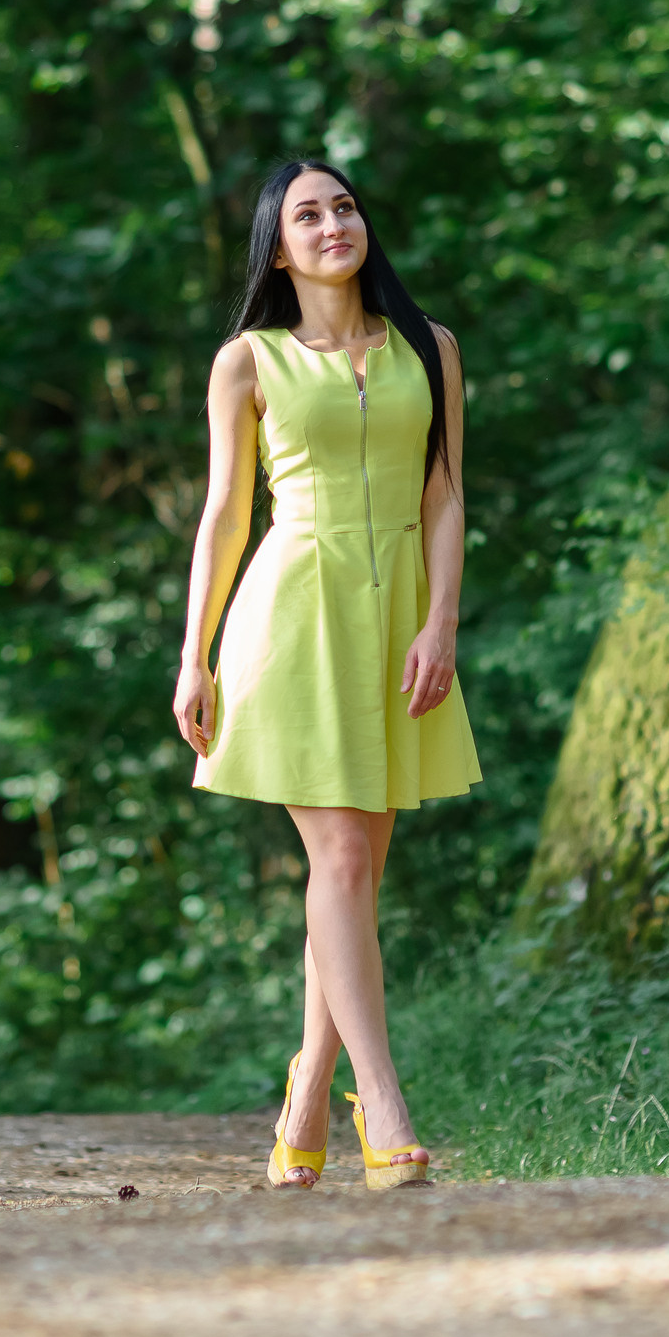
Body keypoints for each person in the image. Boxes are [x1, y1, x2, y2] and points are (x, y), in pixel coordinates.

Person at [171, 159, 481, 1190]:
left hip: (397, 615)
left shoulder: (429, 348)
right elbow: (224, 515)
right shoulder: (247, 361)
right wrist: (195, 651)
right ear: (276, 246)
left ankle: (304, 1090)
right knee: (341, 855)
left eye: (345, 204)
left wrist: (440, 622)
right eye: (307, 213)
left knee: (349, 873)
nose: (333, 222)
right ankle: (381, 1107)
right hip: (290, 612)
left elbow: (445, 497)